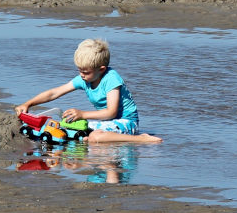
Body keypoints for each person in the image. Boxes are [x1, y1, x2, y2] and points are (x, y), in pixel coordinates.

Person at [15, 38, 161, 144]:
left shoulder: (111, 79)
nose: (81, 75)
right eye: (79, 70)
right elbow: (54, 92)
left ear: (101, 69)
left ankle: (140, 139)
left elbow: (111, 113)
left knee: (94, 137)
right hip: (108, 123)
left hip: (127, 123)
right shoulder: (85, 78)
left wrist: (82, 114)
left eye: (85, 71)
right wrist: (28, 103)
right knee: (69, 128)